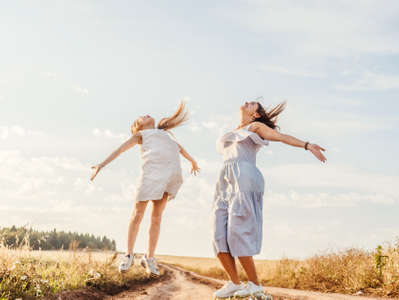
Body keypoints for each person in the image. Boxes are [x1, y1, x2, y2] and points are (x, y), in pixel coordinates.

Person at [212, 100, 326, 298]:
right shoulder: (233, 130)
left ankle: (255, 285)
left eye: (253, 104)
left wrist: (307, 145)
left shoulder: (255, 126)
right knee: (218, 235)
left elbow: (279, 137)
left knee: (238, 232)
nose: (247, 102)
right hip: (224, 181)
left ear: (256, 114)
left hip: (245, 178)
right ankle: (234, 282)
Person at [90, 101, 199, 277]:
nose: (146, 114)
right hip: (150, 177)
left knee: (156, 218)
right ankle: (129, 255)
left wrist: (193, 161)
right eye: (141, 117)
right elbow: (120, 149)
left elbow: (180, 149)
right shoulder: (141, 135)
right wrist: (101, 165)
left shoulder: (165, 135)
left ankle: (149, 258)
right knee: (137, 214)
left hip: (169, 177)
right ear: (138, 126)